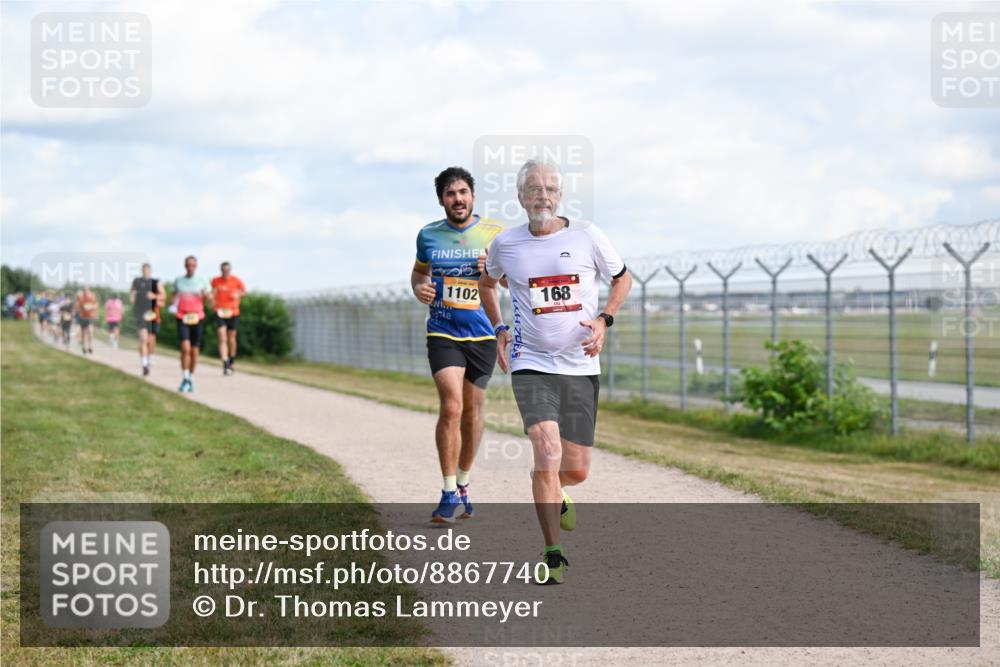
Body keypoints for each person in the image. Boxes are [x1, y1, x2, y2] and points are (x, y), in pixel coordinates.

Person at [479, 159, 632, 584]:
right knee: (547, 450)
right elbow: (487, 283)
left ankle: (553, 486)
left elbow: (623, 279)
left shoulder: (586, 235)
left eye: (549, 188)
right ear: (520, 197)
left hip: (581, 364)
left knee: (575, 468)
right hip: (531, 363)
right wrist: (499, 330)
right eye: (533, 188)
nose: (542, 195)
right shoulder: (506, 244)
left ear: (559, 196)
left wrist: (604, 320)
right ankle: (552, 553)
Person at [412, 166, 505, 523]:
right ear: (441, 200)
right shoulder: (428, 235)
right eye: (450, 194)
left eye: (463, 192)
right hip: (443, 330)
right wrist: (419, 288)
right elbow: (419, 273)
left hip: (481, 335)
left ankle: (465, 482)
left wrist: (492, 271)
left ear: (473, 196)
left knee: (472, 412)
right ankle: (448, 491)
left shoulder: (495, 234)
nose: (458, 199)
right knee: (451, 407)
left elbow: (512, 282)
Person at [173, 256, 212, 392]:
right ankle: (185, 378)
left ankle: (190, 377)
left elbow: (210, 299)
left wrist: (207, 296)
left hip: (197, 317)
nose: (190, 267)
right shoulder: (179, 281)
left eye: (192, 265)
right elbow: (174, 296)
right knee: (185, 349)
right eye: (188, 265)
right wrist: (173, 305)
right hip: (182, 317)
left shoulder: (202, 281)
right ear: (185, 266)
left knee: (194, 351)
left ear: (196, 266)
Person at [211, 261, 247, 375]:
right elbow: (211, 293)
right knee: (222, 336)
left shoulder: (236, 280)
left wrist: (238, 294)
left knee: (231, 338)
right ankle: (225, 363)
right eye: (223, 270)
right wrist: (211, 300)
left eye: (227, 270)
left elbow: (244, 292)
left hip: (233, 312)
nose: (225, 272)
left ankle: (232, 359)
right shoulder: (215, 281)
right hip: (220, 311)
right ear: (221, 270)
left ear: (230, 270)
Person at [130, 263, 166, 376]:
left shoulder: (156, 282)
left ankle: (149, 356)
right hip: (140, 312)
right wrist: (133, 296)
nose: (146, 272)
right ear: (142, 271)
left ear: (150, 271)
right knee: (143, 339)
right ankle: (144, 365)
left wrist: (154, 296)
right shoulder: (136, 281)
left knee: (151, 340)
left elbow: (164, 296)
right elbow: (131, 294)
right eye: (144, 270)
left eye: (147, 270)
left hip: (153, 314)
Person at [75, 287, 99, 354]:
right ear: (83, 292)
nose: (86, 292)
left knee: (90, 331)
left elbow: (96, 305)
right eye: (85, 291)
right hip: (83, 317)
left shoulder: (93, 296)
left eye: (87, 291)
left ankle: (90, 346)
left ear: (89, 291)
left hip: (90, 317)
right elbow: (77, 307)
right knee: (83, 333)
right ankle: (84, 347)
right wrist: (82, 308)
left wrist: (94, 310)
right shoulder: (81, 298)